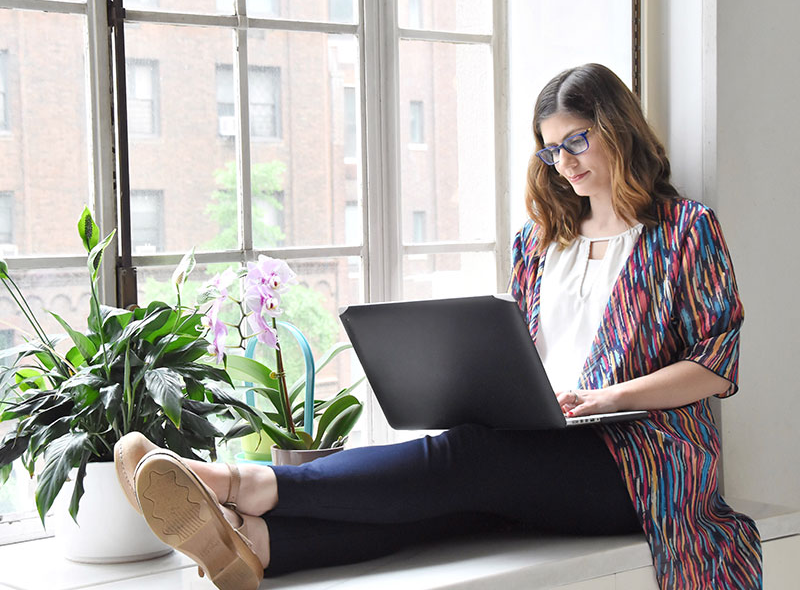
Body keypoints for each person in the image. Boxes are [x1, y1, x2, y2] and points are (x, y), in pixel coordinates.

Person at [114, 63, 762, 590]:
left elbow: (715, 364)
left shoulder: (684, 231)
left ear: (616, 129)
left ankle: (240, 482)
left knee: (470, 459)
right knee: (460, 499)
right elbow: (522, 354)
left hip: (644, 462)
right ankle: (260, 545)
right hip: (547, 441)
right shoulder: (541, 244)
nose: (563, 162)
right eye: (550, 149)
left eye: (576, 141)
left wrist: (610, 397)